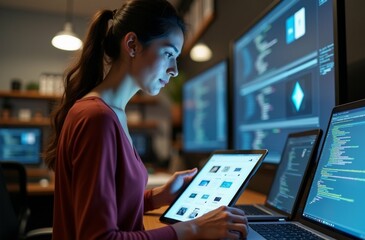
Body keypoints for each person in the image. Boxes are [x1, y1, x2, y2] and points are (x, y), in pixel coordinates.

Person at [43, 0, 248, 239]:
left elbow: (108, 205)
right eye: (169, 53)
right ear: (132, 45)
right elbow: (99, 237)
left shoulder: (111, 113)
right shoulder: (96, 118)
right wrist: (193, 228)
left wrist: (158, 196)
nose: (175, 70)